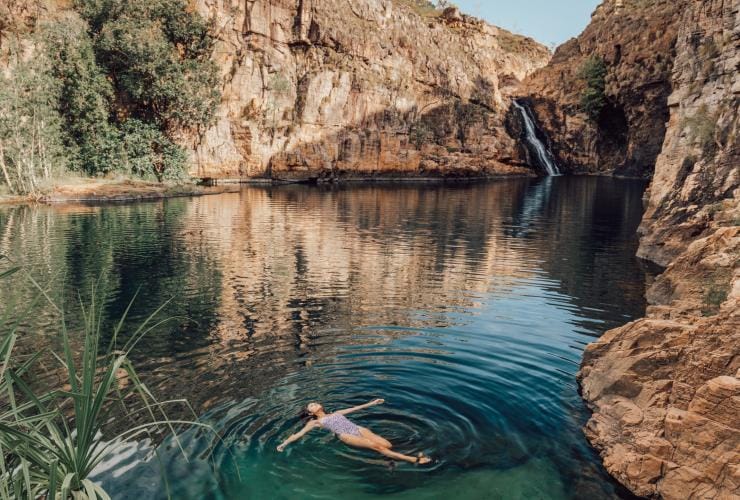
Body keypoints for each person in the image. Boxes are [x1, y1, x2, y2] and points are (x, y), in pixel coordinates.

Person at [276, 399, 431, 464]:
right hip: (346, 436)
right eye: (311, 406)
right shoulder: (314, 422)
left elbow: (356, 408)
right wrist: (284, 443)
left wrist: (372, 403)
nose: (315, 404)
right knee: (379, 447)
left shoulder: (336, 412)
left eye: (315, 403)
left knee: (387, 444)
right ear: (311, 413)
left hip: (358, 429)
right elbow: (299, 434)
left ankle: (389, 459)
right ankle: (414, 460)